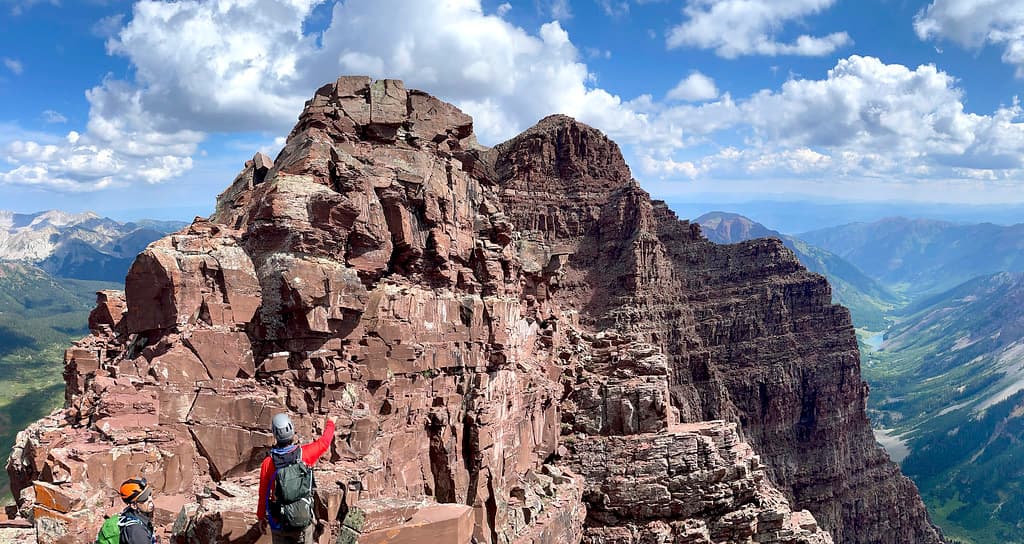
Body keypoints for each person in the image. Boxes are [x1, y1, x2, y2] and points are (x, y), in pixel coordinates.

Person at [257, 413, 336, 544]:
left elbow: (263, 493)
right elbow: (324, 443)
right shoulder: (305, 454)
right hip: (302, 521)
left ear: (275, 435)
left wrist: (261, 517)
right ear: (292, 431)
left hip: (279, 523)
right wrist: (331, 422)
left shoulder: (268, 463)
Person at [117, 477, 156, 544]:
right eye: (144, 498)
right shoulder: (137, 531)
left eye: (149, 493)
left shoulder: (131, 513)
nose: (150, 499)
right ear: (134, 505)